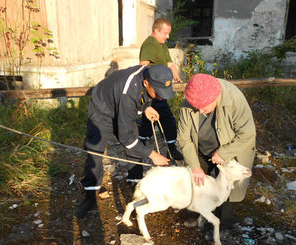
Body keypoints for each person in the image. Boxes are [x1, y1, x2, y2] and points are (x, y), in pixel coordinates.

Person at [75, 64, 174, 219]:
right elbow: (125, 138)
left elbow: (143, 97)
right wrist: (153, 155)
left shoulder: (148, 73)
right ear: (146, 83)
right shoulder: (129, 92)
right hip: (103, 110)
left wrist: (147, 107)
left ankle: (136, 188)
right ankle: (89, 196)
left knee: (134, 148)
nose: (160, 97)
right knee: (95, 151)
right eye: (158, 93)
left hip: (122, 105)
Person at [177, 73, 256, 230]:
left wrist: (223, 153)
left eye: (203, 107)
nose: (199, 112)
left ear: (215, 98)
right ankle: (197, 213)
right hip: (202, 147)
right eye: (196, 108)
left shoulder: (234, 99)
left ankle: (223, 225)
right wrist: (194, 166)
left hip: (231, 148)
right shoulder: (190, 101)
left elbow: (247, 134)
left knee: (228, 189)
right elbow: (184, 138)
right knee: (198, 181)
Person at [138, 18, 184, 161]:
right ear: (156, 31)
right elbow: (142, 67)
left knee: (149, 120)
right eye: (165, 33)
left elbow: (170, 64)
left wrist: (176, 77)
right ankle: (169, 150)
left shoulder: (162, 45)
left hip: (161, 89)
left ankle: (140, 147)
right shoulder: (149, 45)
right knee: (167, 119)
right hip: (153, 90)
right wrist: (150, 87)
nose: (168, 37)